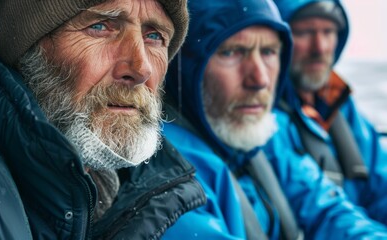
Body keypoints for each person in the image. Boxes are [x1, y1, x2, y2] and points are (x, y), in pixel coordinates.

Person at [0, 0, 206, 239]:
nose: (141, 69)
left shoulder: (133, 190)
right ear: (26, 51)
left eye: (154, 36)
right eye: (99, 27)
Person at [161, 0, 387, 238]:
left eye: (269, 52)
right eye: (231, 52)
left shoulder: (264, 135)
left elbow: (326, 207)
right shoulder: (168, 175)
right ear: (185, 66)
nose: (259, 79)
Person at [273, 0, 387, 225]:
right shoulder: (263, 119)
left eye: (329, 32)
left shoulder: (342, 106)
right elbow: (321, 213)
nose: (320, 47)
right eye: (305, 32)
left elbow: (381, 184)